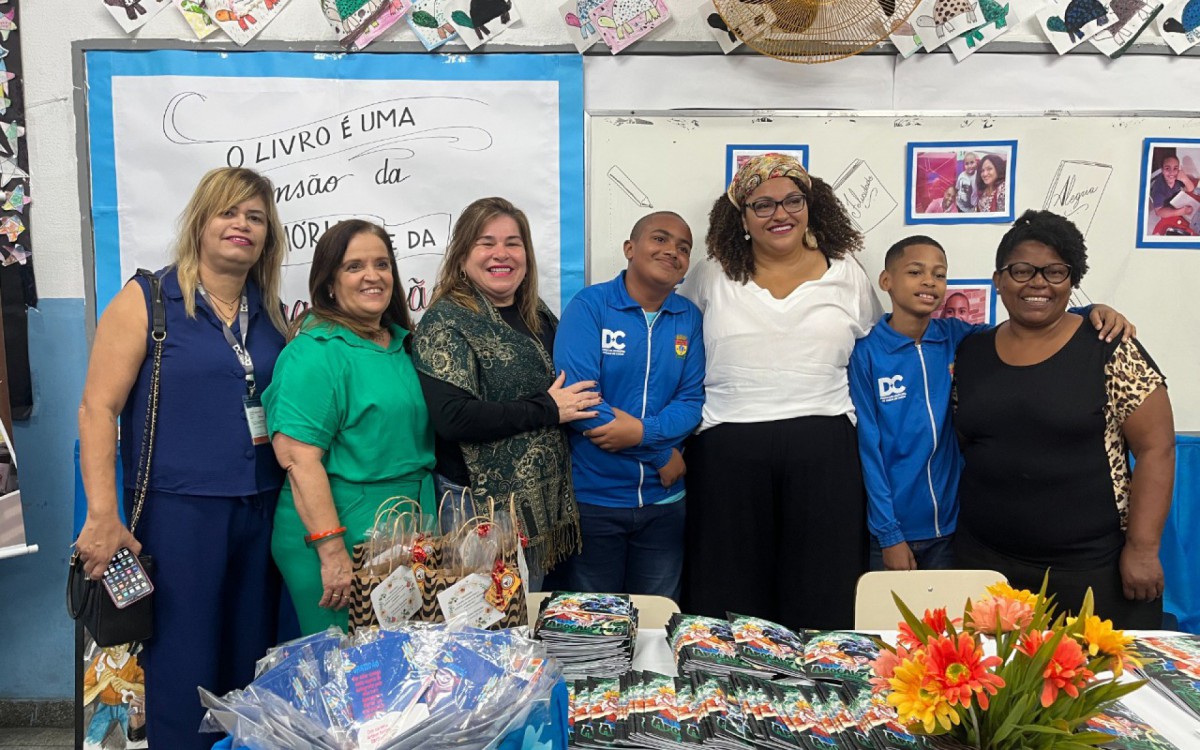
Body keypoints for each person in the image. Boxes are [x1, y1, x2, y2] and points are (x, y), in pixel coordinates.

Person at [75, 167, 289, 750]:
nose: (241, 225)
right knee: (181, 670)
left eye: (255, 217)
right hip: (178, 515)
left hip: (262, 510)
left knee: (251, 671)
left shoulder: (270, 314)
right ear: (200, 221)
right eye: (229, 212)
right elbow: (98, 409)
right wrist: (101, 514)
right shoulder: (148, 300)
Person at [679, 153, 882, 629]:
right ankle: (736, 698)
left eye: (793, 200)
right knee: (727, 601)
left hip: (825, 448)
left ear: (812, 207)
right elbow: (679, 351)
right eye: (763, 205)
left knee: (823, 593)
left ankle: (819, 699)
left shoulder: (847, 273)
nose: (780, 214)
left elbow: (880, 349)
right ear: (742, 217)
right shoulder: (711, 275)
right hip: (728, 448)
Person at [850, 236, 1131, 573]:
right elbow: (870, 450)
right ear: (886, 281)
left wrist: (1089, 311)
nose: (929, 282)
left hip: (954, 530)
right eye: (915, 272)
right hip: (894, 533)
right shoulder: (867, 354)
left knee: (949, 624)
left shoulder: (956, 337)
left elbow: (1022, 326)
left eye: (940, 275)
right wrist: (889, 534)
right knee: (892, 624)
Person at [954, 210, 1174, 629]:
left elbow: (1156, 449)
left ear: (1072, 281)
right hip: (984, 565)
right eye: (1021, 270)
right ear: (998, 280)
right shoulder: (970, 352)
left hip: (1090, 570)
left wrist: (1143, 549)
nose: (1038, 282)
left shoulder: (1108, 347)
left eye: (1055, 271)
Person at [412, 197, 599, 589]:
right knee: (488, 629)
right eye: (486, 242)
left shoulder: (539, 314)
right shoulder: (446, 320)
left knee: (524, 620)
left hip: (540, 507)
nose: (502, 253)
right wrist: (548, 409)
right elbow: (453, 418)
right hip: (480, 511)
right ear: (463, 255)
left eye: (513, 243)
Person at [264, 219, 436, 635]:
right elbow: (299, 460)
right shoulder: (316, 352)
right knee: (348, 674)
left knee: (402, 670)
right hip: (342, 532)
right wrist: (332, 550)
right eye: (354, 266)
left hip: (407, 523)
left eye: (382, 264)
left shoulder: (401, 344)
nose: (372, 276)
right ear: (328, 283)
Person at [553, 211, 705, 601]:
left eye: (683, 247)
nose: (672, 251)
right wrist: (657, 452)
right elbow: (581, 401)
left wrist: (640, 433)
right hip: (595, 502)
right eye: (660, 239)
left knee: (656, 622)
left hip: (664, 507)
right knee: (594, 626)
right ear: (629, 248)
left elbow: (691, 401)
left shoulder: (689, 318)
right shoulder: (591, 306)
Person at [1149, 154, 1197, 221]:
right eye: (1167, 168)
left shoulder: (1178, 176)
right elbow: (1159, 212)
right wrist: (1180, 212)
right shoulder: (1158, 189)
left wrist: (1185, 179)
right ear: (1162, 170)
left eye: (1175, 168)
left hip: (1177, 200)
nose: (1172, 172)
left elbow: (1190, 189)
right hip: (1166, 208)